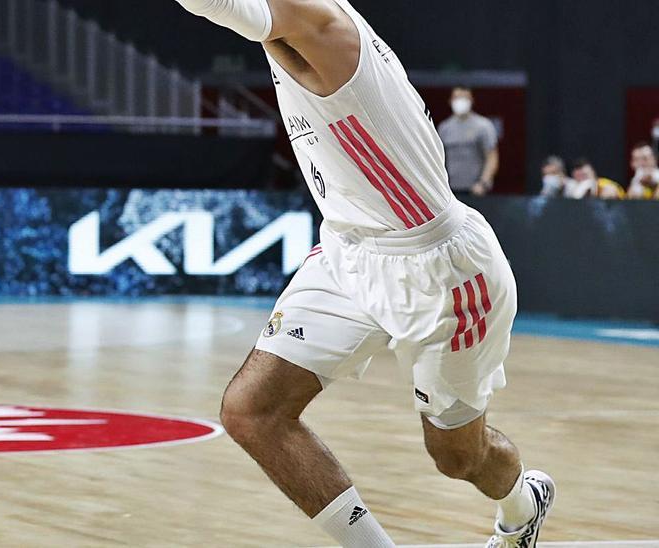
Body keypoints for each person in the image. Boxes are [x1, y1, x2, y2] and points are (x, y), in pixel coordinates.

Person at [173, 0, 553, 546]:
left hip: (441, 273)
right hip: (347, 253)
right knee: (251, 411)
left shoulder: (325, 24)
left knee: (457, 456)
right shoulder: (291, 26)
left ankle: (523, 504)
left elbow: (222, 6)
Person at [437, 87, 500, 196]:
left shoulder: (483, 126)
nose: (460, 101)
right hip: (450, 191)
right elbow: (438, 158)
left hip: (475, 190)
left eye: (464, 98)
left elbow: (492, 157)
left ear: (471, 100)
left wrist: (483, 183)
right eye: (457, 97)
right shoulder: (444, 128)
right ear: (450, 101)